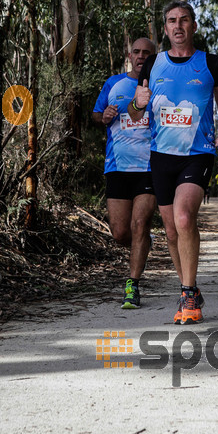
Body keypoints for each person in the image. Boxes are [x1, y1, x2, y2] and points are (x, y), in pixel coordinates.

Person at [128, 0, 218, 324]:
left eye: (184, 20)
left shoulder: (211, 64)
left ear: (194, 26)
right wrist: (136, 102)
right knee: (171, 231)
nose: (178, 26)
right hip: (161, 156)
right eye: (171, 20)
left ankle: (187, 297)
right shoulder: (152, 65)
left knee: (185, 218)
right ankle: (191, 286)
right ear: (166, 28)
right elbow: (135, 112)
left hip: (197, 154)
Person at [92, 37, 156, 308]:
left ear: (153, 57)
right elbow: (96, 115)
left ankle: (132, 286)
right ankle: (144, 241)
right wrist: (104, 116)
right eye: (137, 52)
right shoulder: (113, 83)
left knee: (139, 224)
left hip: (150, 167)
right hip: (117, 166)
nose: (141, 56)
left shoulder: (160, 84)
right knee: (120, 233)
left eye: (147, 53)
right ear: (129, 54)